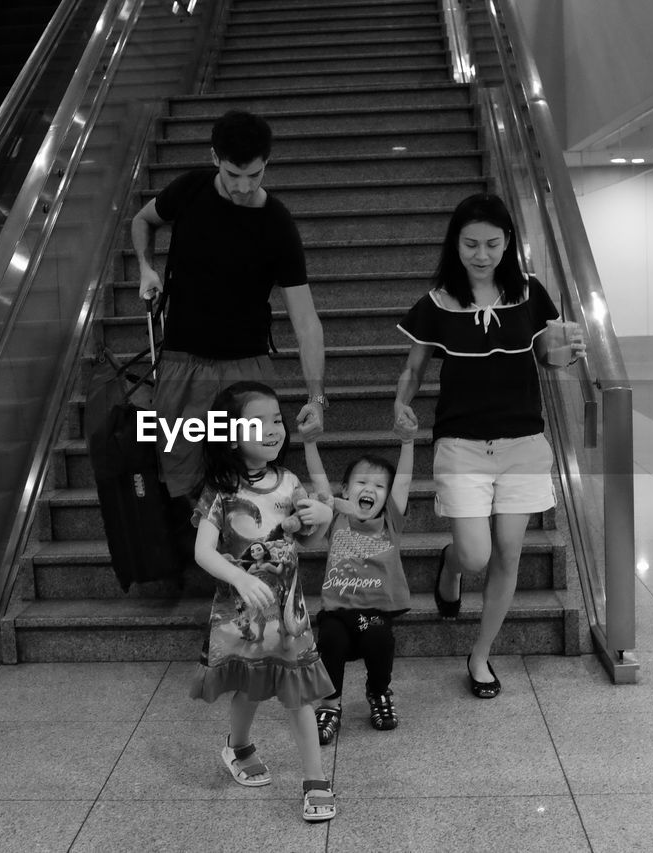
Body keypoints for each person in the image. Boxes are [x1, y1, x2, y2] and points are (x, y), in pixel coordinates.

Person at [394, 193, 584, 699]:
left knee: (508, 550)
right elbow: (414, 366)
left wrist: (563, 357)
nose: (482, 254)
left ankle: (480, 656)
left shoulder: (528, 293)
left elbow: (545, 353)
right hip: (461, 443)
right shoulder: (438, 301)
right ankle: (450, 564)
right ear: (455, 243)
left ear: (508, 245)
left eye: (493, 244)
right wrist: (401, 401)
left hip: (523, 441)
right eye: (471, 244)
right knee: (475, 555)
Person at [129, 110, 327, 564]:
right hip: (183, 361)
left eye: (254, 174)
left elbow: (306, 320)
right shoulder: (191, 189)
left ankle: (248, 570)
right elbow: (143, 220)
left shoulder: (276, 223)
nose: (242, 186)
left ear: (268, 163)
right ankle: (212, 564)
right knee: (181, 468)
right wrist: (145, 266)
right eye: (233, 174)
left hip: (246, 366)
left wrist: (317, 397)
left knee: (251, 470)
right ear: (214, 157)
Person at [190, 381, 337, 823]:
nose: (273, 428)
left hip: (289, 615)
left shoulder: (289, 481)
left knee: (298, 694)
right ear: (229, 433)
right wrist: (237, 576)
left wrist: (322, 515)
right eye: (258, 421)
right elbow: (202, 552)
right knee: (250, 685)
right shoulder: (221, 490)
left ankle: (315, 781)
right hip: (242, 614)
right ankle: (237, 747)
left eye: (277, 419)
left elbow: (312, 535)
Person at [302, 416, 416, 745]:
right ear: (346, 491)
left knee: (379, 640)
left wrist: (408, 441)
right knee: (331, 642)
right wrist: (309, 442)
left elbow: (404, 483)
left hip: (375, 612)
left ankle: (379, 693)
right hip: (338, 610)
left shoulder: (391, 521)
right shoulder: (336, 516)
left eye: (380, 486)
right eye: (362, 483)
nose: (370, 489)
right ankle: (330, 704)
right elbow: (318, 481)